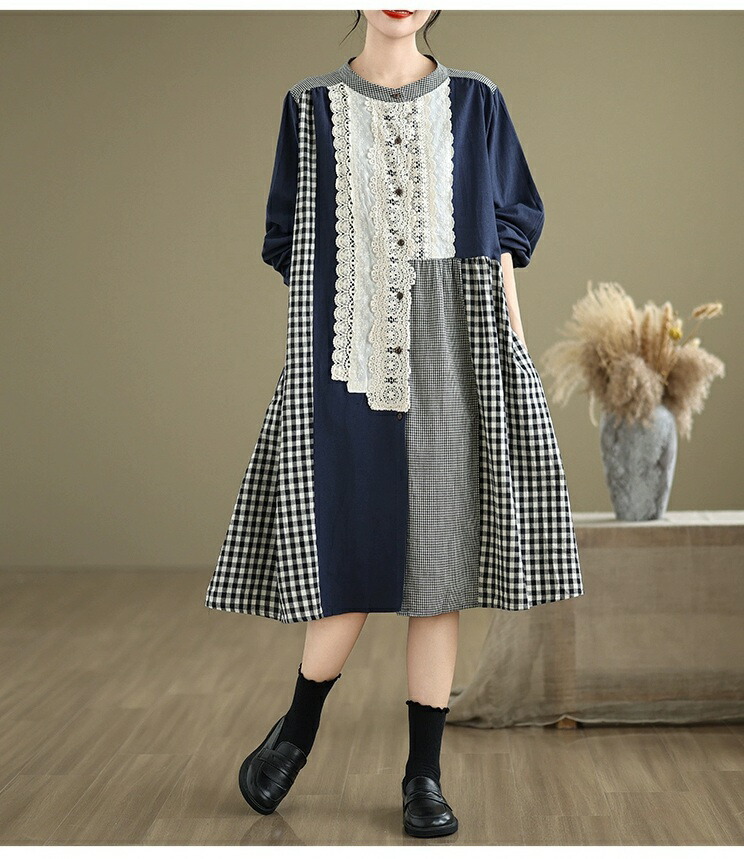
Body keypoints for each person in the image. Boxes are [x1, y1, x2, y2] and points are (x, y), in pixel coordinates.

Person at [205, 9, 584, 839]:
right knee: (347, 553)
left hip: (456, 351)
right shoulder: (308, 106)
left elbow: (505, 237)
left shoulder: (477, 101)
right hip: (347, 357)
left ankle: (424, 775)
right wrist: (344, 319)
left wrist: (511, 352)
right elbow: (289, 240)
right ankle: (296, 729)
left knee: (437, 572)